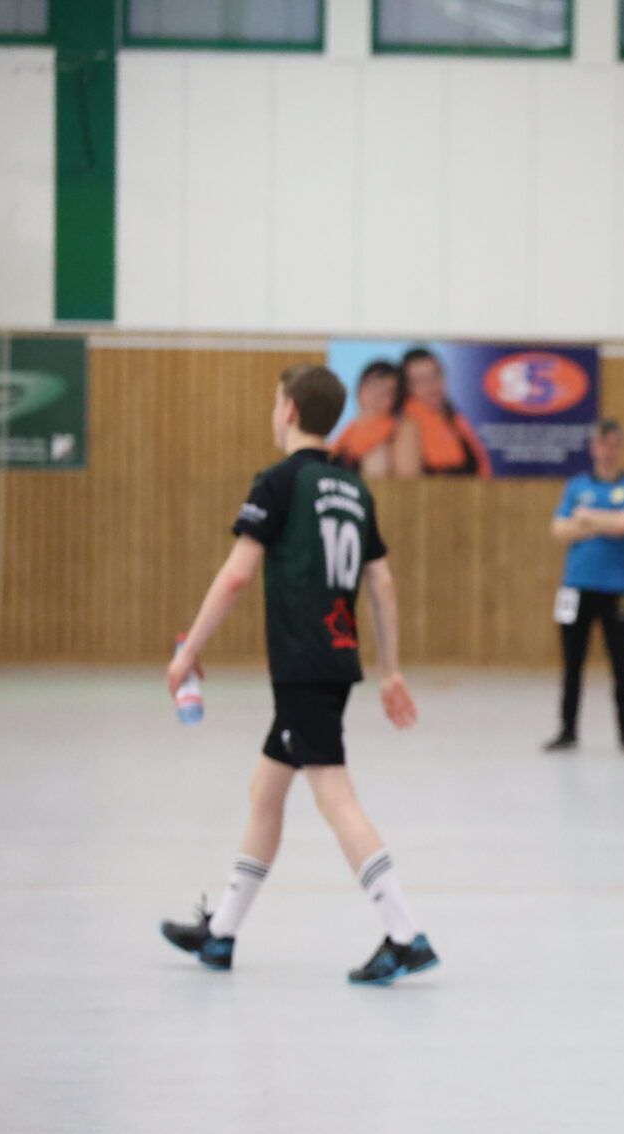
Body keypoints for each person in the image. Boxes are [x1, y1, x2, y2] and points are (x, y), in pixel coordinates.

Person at [158, 365, 437, 986]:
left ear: (287, 410)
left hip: (302, 662)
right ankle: (222, 933)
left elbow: (236, 575)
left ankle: (404, 934)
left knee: (334, 794)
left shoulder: (279, 482)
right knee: (266, 792)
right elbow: (382, 583)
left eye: (274, 402)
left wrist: (188, 652)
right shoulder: (353, 488)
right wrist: (390, 669)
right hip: (334, 656)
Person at [545, 419, 624, 753]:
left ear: (621, 448)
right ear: (594, 448)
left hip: (617, 589)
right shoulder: (576, 486)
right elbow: (559, 530)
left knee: (621, 662)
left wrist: (587, 518)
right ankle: (567, 731)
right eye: (603, 444)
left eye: (615, 444)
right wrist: (605, 522)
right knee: (572, 662)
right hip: (575, 587)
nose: (608, 451)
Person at [389, 347, 489, 478]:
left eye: (435, 376)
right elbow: (408, 486)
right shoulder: (408, 426)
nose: (430, 385)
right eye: (420, 380)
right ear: (407, 387)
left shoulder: (456, 419)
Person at [332, 360, 399, 477]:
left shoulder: (390, 430)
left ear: (395, 399)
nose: (376, 397)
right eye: (373, 386)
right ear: (359, 388)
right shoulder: (351, 427)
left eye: (386, 392)